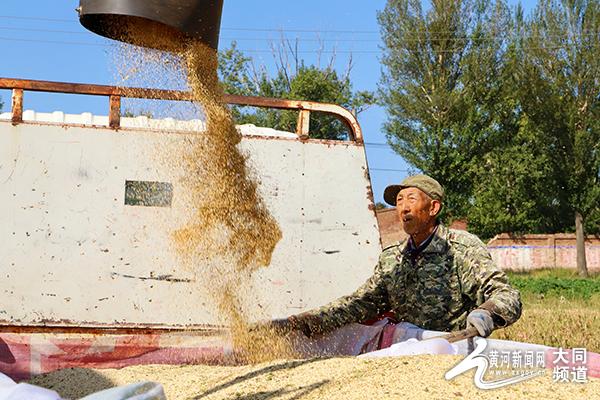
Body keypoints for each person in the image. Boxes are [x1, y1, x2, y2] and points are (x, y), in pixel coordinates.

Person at [270, 174, 522, 339]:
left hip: (451, 350)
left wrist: (487, 312)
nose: (403, 207)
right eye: (399, 201)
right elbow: (361, 303)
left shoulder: (460, 249)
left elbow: (506, 294)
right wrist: (305, 322)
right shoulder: (392, 258)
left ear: (433, 207)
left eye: (411, 199)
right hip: (406, 355)